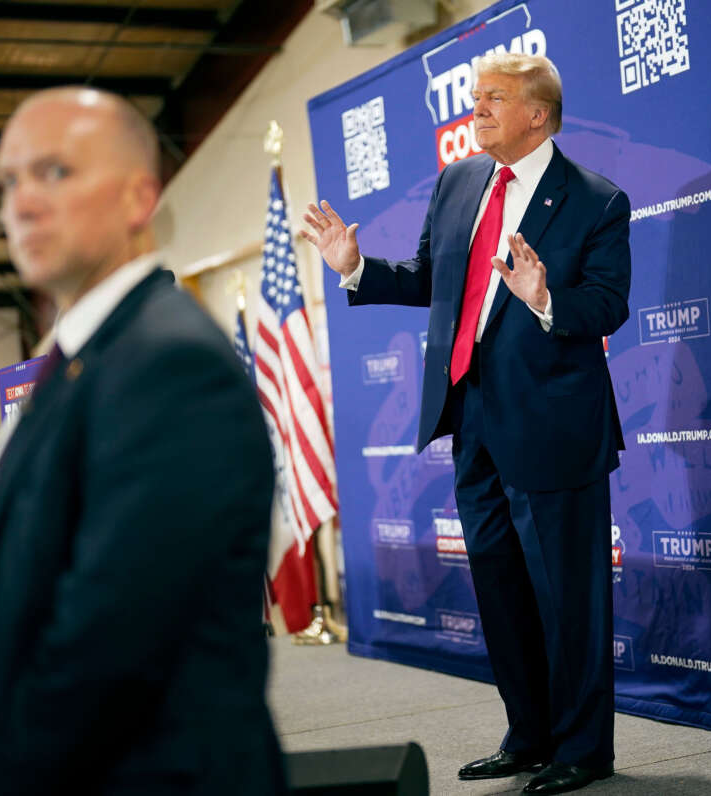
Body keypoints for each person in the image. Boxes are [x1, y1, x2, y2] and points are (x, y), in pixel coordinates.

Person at [0, 87, 285, 796]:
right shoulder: (71, 364)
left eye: (54, 172)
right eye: (9, 180)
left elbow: (112, 640)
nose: (21, 202)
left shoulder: (172, 366)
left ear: (137, 199)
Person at [302, 52, 630, 795]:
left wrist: (546, 298)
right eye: (475, 98)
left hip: (553, 425)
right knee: (501, 587)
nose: (475, 111)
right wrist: (356, 267)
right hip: (470, 414)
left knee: (566, 595)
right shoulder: (458, 182)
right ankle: (529, 737)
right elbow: (429, 277)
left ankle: (583, 749)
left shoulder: (595, 200)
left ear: (537, 114)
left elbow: (608, 305)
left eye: (492, 99)